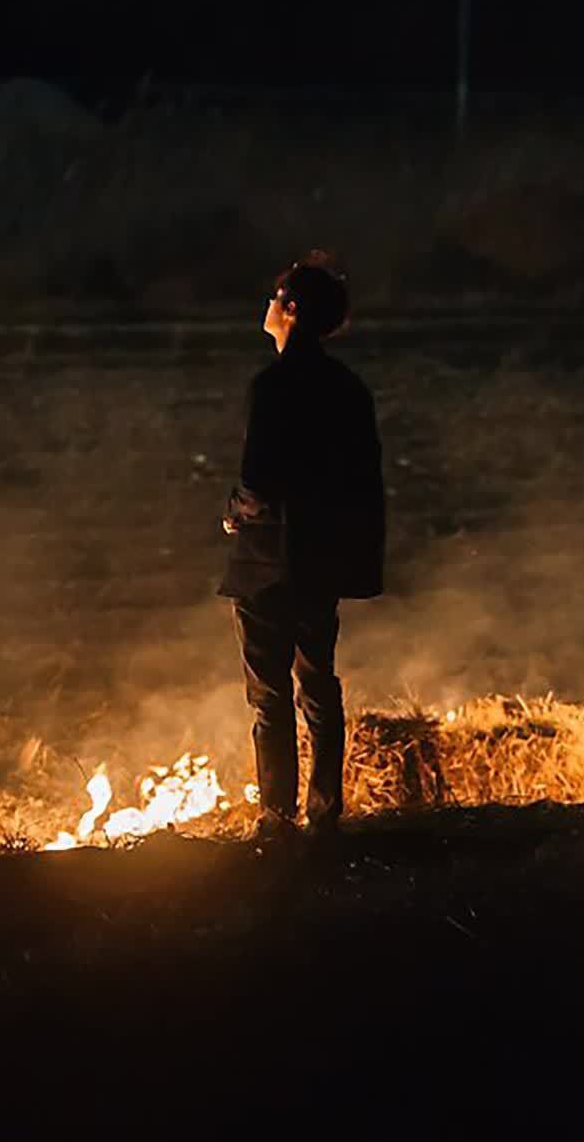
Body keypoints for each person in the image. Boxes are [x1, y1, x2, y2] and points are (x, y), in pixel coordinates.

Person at [219, 251, 386, 843]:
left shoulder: (272, 386)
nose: (266, 307)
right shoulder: (347, 389)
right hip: (321, 560)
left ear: (289, 310)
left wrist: (236, 514)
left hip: (267, 562)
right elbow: (363, 479)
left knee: (268, 694)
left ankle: (276, 816)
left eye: (274, 299)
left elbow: (258, 481)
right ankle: (324, 809)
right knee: (319, 682)